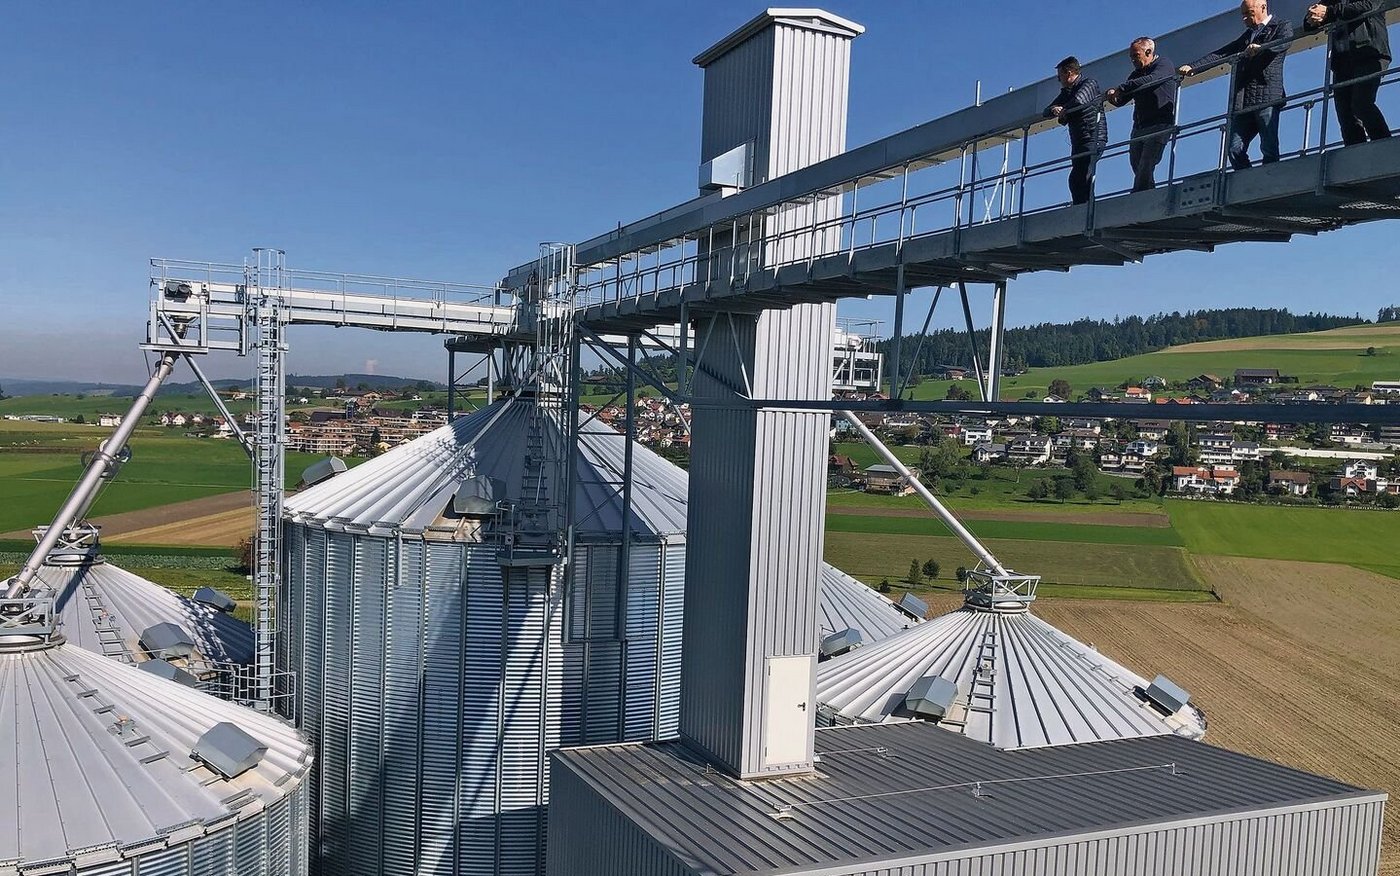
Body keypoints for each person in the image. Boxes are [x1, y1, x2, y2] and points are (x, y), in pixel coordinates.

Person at [1179, 0, 1294, 169]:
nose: (1245, 18)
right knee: (1234, 148)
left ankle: (1270, 176)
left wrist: (1261, 47)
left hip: (1268, 94)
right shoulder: (1247, 36)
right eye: (1243, 14)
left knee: (1268, 146)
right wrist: (1194, 67)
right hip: (1244, 100)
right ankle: (1250, 179)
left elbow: (1284, 42)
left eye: (1249, 13)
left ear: (1263, 7)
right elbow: (1222, 53)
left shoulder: (1281, 26)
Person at [1305, 0, 1392, 144]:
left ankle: (1385, 147)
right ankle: (1355, 155)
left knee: (1361, 103)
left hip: (1369, 54)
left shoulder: (1334, 6)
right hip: (1342, 62)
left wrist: (1328, 13)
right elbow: (1308, 21)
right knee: (1345, 116)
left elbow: (1367, 6)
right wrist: (1313, 18)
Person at [1105, 38, 1180, 192]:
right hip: (1139, 126)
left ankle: (1139, 196)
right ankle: (1149, 192)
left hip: (1160, 124)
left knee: (1146, 163)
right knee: (1136, 164)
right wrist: (1111, 95)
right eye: (1131, 56)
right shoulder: (1135, 75)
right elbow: (1122, 100)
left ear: (1148, 52)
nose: (1133, 59)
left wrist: (1121, 88)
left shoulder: (1164, 64)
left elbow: (1152, 80)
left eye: (1136, 55)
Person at [1045, 56, 1109, 204]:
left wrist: (1063, 111)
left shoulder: (1089, 83)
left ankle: (1085, 208)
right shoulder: (1067, 92)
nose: (1058, 80)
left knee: (1082, 174)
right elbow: (1046, 111)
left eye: (1059, 76)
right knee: (1077, 177)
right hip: (1079, 141)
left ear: (1068, 73)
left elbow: (1079, 100)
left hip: (1093, 137)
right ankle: (1082, 206)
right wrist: (1055, 109)